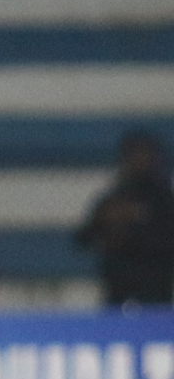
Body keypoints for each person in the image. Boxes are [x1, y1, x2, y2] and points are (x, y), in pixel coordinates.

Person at [74, 129, 174, 307]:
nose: (140, 161)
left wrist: (138, 223)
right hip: (117, 292)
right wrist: (109, 220)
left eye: (145, 155)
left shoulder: (165, 201)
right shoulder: (113, 199)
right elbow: (83, 239)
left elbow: (166, 240)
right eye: (135, 155)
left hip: (156, 293)